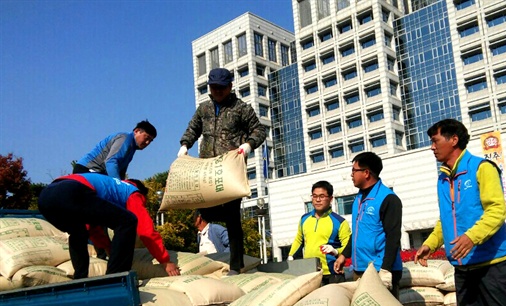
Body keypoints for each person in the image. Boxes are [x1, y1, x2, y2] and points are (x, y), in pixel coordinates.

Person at [414, 118, 506, 306]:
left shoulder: (482, 168)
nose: (432, 147)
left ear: (454, 139)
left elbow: (497, 211)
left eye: (435, 140)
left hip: (494, 266)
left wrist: (471, 238)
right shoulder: (443, 178)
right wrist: (431, 243)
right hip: (465, 269)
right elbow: (447, 219)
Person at [177, 68, 267, 274]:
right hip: (207, 170)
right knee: (201, 213)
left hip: (229, 170)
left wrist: (248, 146)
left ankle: (236, 265)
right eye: (213, 87)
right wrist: (185, 144)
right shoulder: (204, 109)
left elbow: (259, 130)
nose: (216, 91)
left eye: (220, 87)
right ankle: (200, 261)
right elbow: (193, 128)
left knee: (233, 218)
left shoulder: (241, 108)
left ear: (229, 87)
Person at [38, 173, 180, 279]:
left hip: (45, 199)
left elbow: (92, 227)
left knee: (78, 232)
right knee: (128, 221)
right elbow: (146, 230)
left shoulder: (109, 187)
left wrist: (107, 247)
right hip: (71, 191)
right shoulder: (132, 191)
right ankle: (116, 277)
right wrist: (165, 260)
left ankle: (80, 278)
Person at [334, 152, 403, 295]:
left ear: (366, 173)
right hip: (361, 270)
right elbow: (359, 232)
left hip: (380, 271)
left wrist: (385, 270)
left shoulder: (388, 199)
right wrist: (343, 256)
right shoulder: (358, 199)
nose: (351, 175)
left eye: (354, 170)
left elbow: (393, 236)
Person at [288, 181, 351, 284]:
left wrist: (335, 251)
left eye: (322, 196)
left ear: (330, 199)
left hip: (333, 273)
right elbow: (299, 240)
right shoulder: (304, 219)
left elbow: (348, 246)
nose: (317, 200)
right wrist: (290, 257)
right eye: (314, 196)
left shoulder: (340, 222)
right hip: (310, 273)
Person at [74, 120, 157, 179]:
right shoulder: (125, 138)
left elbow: (121, 171)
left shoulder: (132, 148)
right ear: (136, 131)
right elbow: (111, 161)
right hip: (87, 170)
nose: (147, 142)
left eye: (150, 141)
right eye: (146, 138)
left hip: (98, 173)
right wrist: (119, 185)